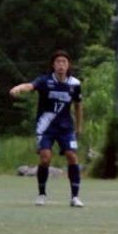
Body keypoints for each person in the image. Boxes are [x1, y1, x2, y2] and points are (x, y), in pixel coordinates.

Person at [10, 50, 85, 207]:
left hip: (66, 128)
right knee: (45, 158)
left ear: (68, 65)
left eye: (64, 62)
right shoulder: (45, 81)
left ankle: (75, 197)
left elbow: (78, 106)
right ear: (53, 65)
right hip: (45, 127)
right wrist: (18, 88)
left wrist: (79, 127)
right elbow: (30, 86)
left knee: (72, 156)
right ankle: (42, 194)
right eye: (58, 62)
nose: (61, 65)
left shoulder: (75, 84)